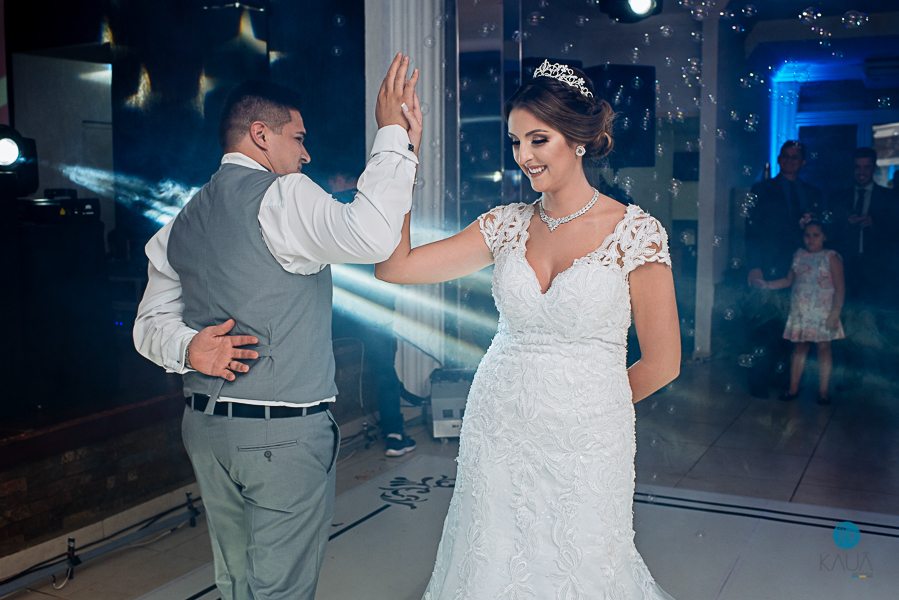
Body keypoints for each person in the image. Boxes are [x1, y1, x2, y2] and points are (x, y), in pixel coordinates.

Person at [375, 61, 680, 599]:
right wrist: (402, 151)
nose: (524, 156)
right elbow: (394, 267)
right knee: (492, 560)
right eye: (516, 141)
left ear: (579, 139)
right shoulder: (504, 224)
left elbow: (663, 363)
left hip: (588, 437)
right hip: (498, 425)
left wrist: (590, 410)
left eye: (539, 139)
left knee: (582, 565)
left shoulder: (636, 232)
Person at [132, 54, 421, 600]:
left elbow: (148, 324)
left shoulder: (183, 219)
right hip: (280, 437)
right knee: (281, 590)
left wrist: (189, 349)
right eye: (298, 138)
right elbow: (373, 236)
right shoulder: (284, 195)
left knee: (236, 581)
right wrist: (393, 137)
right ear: (261, 135)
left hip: (207, 432)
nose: (306, 153)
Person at [743, 140, 824, 397]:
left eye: (794, 156)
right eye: (785, 156)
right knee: (764, 324)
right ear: (779, 159)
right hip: (769, 264)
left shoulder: (812, 193)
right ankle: (759, 381)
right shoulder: (762, 189)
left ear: (803, 162)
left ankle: (784, 379)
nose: (789, 160)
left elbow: (820, 232)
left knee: (792, 326)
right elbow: (751, 230)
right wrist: (754, 265)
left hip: (801, 267)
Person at [830, 147, 899, 387]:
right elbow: (828, 235)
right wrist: (846, 223)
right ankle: (852, 375)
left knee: (881, 323)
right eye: (857, 167)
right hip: (847, 271)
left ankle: (888, 377)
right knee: (847, 321)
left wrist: (874, 224)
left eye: (866, 167)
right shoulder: (839, 198)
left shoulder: (889, 197)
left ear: (875, 168)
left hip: (878, 273)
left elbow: (895, 236)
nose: (861, 172)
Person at [760, 221, 844, 404]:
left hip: (823, 312)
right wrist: (767, 285)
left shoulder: (831, 257)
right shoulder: (798, 255)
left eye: (816, 235)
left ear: (824, 237)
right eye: (807, 235)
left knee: (823, 348)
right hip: (802, 312)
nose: (810, 239)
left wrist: (835, 313)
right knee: (799, 348)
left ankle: (823, 392)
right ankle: (793, 389)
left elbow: (839, 287)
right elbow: (788, 280)